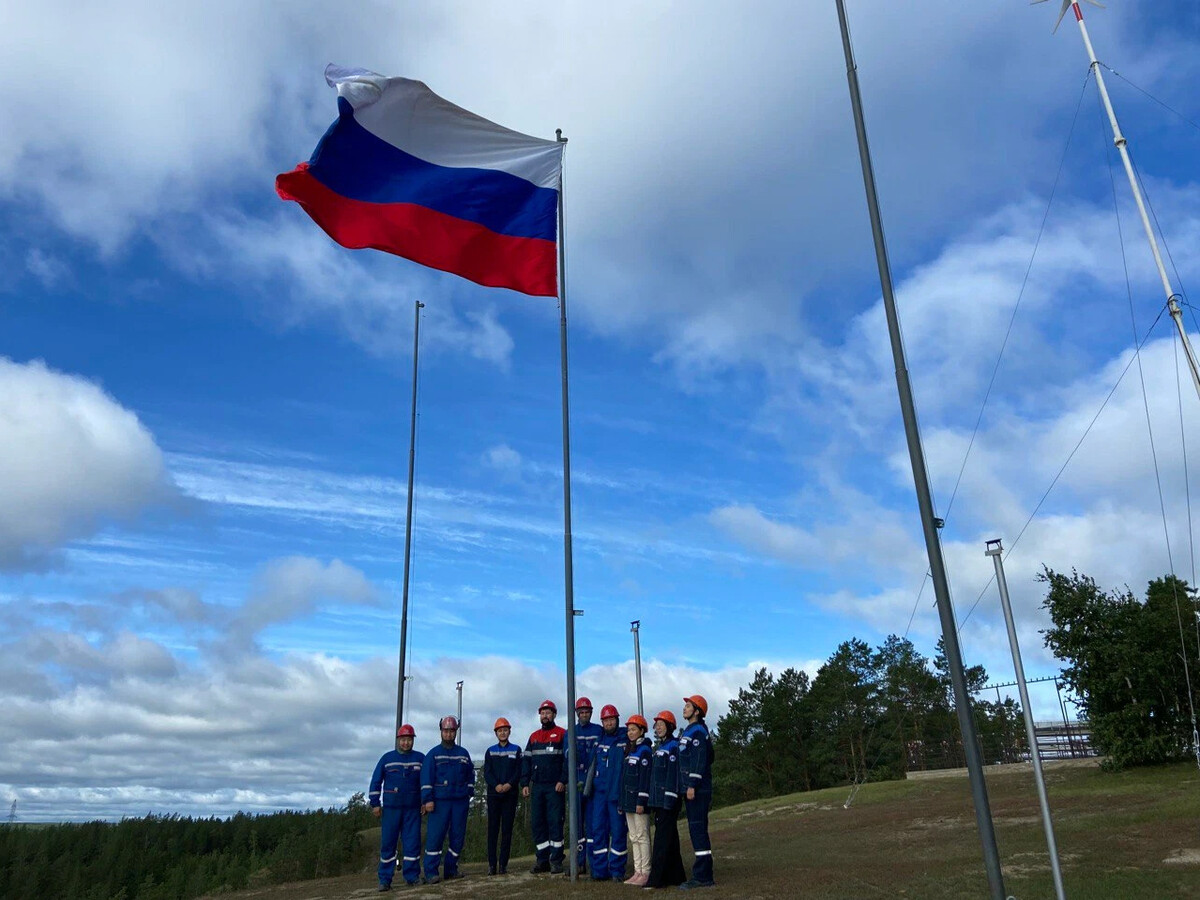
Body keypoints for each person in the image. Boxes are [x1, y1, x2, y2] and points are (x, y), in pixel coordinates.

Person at [368, 724, 424, 891]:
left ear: (413, 740)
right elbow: (376, 781)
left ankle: (412, 876)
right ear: (398, 740)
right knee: (388, 844)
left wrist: (425, 801)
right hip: (391, 809)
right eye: (403, 739)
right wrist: (375, 803)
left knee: (412, 843)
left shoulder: (420, 759)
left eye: (409, 739)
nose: (406, 743)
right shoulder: (387, 759)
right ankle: (385, 879)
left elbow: (426, 782)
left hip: (413, 809)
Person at [420, 716, 474, 884]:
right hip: (439, 803)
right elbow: (426, 778)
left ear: (456, 732)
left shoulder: (463, 754)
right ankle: (431, 872)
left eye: (452, 731)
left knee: (458, 837)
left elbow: (471, 774)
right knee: (435, 837)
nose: (449, 734)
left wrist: (469, 791)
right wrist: (427, 800)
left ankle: (451, 869)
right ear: (441, 731)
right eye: (446, 731)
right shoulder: (433, 754)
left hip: (460, 801)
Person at [520, 699, 569, 874]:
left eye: (548, 712)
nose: (545, 715)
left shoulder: (563, 734)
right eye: (542, 712)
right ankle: (542, 860)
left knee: (555, 822)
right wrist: (525, 783)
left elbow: (567, 760)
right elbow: (526, 761)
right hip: (538, 787)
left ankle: (556, 860)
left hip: (555, 787)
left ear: (554, 714)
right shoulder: (533, 737)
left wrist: (563, 780)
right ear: (539, 715)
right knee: (538, 823)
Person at [586, 703, 628, 881]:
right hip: (599, 795)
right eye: (606, 720)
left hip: (616, 795)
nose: (609, 723)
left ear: (617, 720)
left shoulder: (625, 739)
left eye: (611, 719)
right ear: (602, 722)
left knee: (618, 831)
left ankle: (617, 870)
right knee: (598, 831)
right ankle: (599, 871)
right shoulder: (599, 740)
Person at [678, 695, 716, 890]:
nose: (684, 708)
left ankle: (703, 876)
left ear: (697, 711)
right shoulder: (689, 730)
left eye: (688, 706)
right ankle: (702, 874)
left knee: (698, 829)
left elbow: (701, 759)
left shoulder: (698, 731)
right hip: (691, 788)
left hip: (698, 790)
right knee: (696, 830)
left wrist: (692, 784)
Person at [646, 710, 686, 889]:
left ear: (670, 727)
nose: (658, 727)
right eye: (657, 725)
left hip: (668, 801)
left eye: (662, 724)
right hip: (659, 800)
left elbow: (672, 776)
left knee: (661, 840)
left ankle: (657, 880)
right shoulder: (660, 748)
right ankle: (676, 876)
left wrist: (669, 800)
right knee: (671, 838)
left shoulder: (673, 747)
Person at [483, 717, 521, 876]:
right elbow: (487, 772)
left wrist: (509, 785)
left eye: (505, 730)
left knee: (506, 831)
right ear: (496, 733)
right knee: (493, 830)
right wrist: (496, 785)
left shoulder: (516, 749)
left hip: (510, 795)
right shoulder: (490, 751)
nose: (503, 733)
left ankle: (503, 865)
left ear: (509, 731)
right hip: (494, 795)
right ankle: (492, 864)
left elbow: (519, 770)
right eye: (500, 730)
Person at [618, 713, 652, 887]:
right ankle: (637, 871)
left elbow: (644, 779)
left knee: (642, 836)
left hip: (639, 803)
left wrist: (641, 801)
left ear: (642, 730)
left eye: (634, 729)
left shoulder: (644, 751)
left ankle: (645, 871)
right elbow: (624, 779)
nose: (630, 733)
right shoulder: (629, 750)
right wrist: (622, 803)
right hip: (628, 803)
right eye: (629, 730)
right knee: (633, 837)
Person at [572, 696, 603, 871]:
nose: (584, 714)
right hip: (577, 782)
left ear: (591, 713)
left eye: (587, 712)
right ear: (577, 714)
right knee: (577, 825)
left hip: (594, 784)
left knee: (593, 824)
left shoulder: (598, 730)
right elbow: (568, 755)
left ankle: (594, 861)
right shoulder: (572, 731)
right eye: (581, 712)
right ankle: (579, 861)